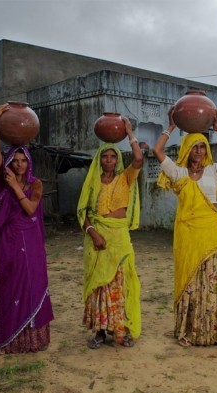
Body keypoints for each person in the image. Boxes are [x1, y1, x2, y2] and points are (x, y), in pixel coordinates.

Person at [153, 108, 217, 347]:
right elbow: (157, 151)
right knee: (190, 283)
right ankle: (188, 332)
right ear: (187, 150)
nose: (199, 151)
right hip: (188, 236)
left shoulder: (214, 171)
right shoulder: (178, 173)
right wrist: (170, 127)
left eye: (203, 147)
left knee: (214, 283)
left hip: (213, 235)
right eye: (195, 147)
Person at [0, 104, 54, 355]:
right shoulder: (4, 178)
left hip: (31, 241)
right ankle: (6, 341)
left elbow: (29, 208)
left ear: (29, 162)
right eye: (14, 160)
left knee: (32, 285)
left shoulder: (35, 184)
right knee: (9, 287)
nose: (19, 164)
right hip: (10, 241)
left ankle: (33, 340)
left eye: (23, 160)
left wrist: (16, 187)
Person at [77, 117, 143, 349]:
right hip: (97, 238)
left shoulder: (125, 178)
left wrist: (129, 133)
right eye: (105, 156)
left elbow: (138, 158)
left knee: (121, 282)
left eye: (113, 156)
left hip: (119, 237)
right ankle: (100, 331)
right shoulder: (92, 182)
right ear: (99, 158)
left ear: (117, 159)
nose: (109, 160)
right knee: (99, 285)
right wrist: (94, 233)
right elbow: (83, 211)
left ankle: (121, 330)